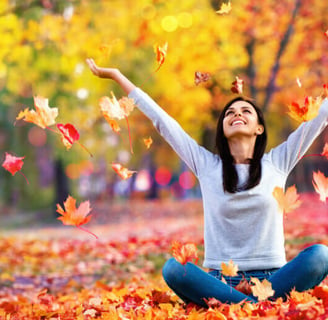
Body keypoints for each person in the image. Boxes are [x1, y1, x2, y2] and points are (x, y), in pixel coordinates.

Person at [86, 58, 328, 307]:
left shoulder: (278, 162)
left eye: (246, 112)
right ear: (223, 128)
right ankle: (253, 307)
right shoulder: (207, 166)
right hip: (220, 284)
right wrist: (117, 76)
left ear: (259, 128)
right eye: (230, 113)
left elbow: (321, 116)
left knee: (321, 255)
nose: (237, 114)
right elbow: (164, 123)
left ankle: (242, 307)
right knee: (173, 269)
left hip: (274, 281)